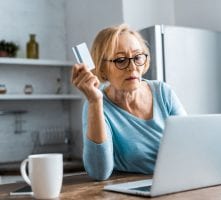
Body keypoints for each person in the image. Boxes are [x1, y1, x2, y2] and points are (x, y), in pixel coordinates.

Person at [71, 23, 186, 180]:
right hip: (133, 190)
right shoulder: (96, 105)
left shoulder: (163, 92)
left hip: (178, 182)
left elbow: (189, 146)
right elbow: (99, 172)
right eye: (120, 60)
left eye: (138, 57)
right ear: (102, 68)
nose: (132, 67)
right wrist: (95, 101)